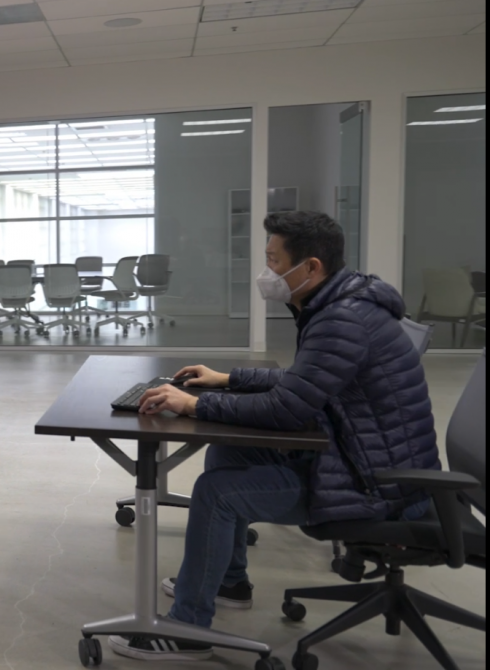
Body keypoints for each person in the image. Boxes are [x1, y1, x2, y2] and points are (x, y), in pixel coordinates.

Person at [110, 211, 439, 662]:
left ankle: (188, 628)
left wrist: (194, 404)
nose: (267, 272)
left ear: (311, 268)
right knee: (229, 448)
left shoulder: (342, 319)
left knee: (218, 493)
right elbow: (306, 382)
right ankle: (229, 580)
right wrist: (228, 379)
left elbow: (287, 408)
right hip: (358, 452)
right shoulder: (343, 303)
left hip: (375, 482)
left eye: (273, 259)